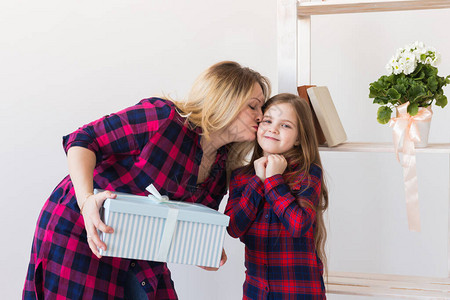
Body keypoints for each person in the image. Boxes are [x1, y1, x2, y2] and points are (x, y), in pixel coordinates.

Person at [23, 61, 271, 299]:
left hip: (136, 246)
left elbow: (186, 223)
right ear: (225, 99)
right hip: (81, 228)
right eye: (253, 106)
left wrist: (203, 248)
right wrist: (86, 200)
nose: (261, 116)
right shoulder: (163, 118)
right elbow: (82, 140)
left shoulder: (221, 166)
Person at [225, 93, 329, 299]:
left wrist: (273, 180)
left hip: (299, 293)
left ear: (299, 137)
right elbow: (233, 228)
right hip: (256, 292)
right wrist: (258, 181)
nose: (273, 129)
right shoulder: (241, 177)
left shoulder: (308, 173)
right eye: (268, 121)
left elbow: (298, 225)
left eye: (286, 125)